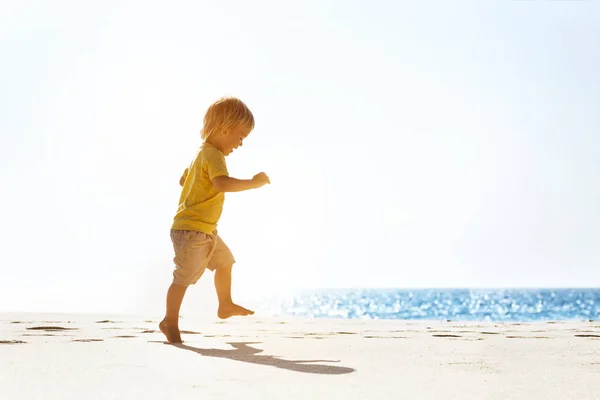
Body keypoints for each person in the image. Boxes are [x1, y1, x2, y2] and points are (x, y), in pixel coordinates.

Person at [159, 97, 270, 343]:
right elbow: (222, 184)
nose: (241, 144)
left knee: (225, 261)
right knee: (184, 277)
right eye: (240, 137)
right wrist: (254, 183)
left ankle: (225, 304)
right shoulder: (214, 155)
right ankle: (169, 321)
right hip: (192, 230)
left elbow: (184, 180)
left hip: (205, 229)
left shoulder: (201, 155)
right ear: (224, 128)